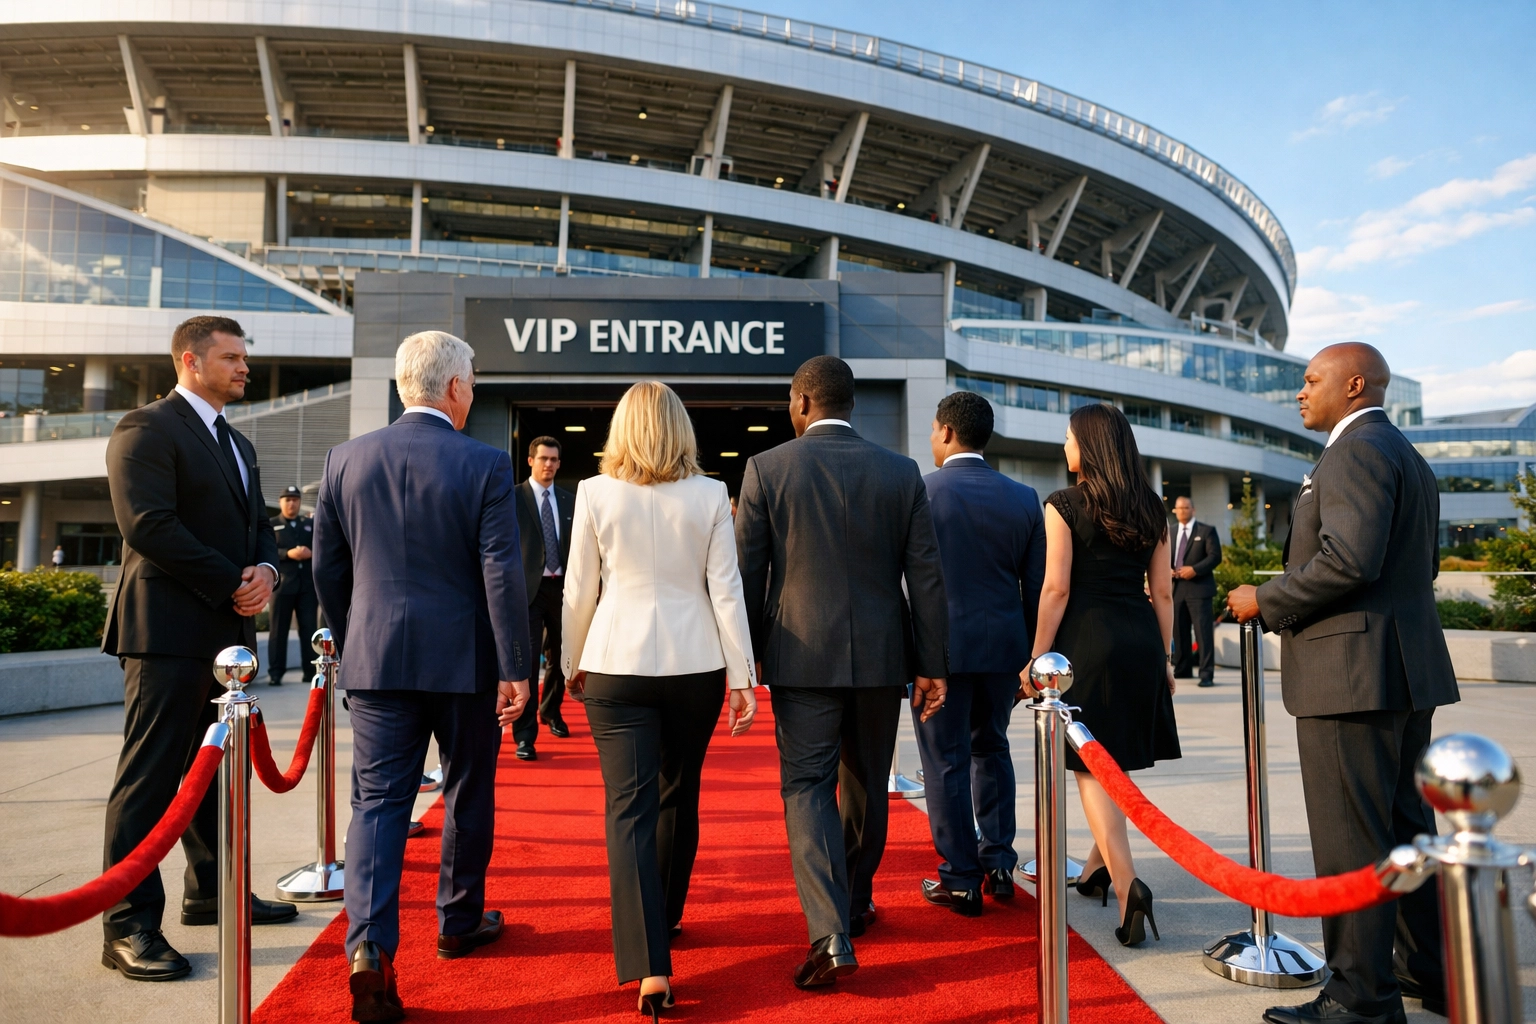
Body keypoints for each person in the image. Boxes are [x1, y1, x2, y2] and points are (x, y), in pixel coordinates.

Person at [1228, 342, 1456, 1024]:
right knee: (1406, 831)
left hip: (1350, 676)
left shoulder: (1353, 451)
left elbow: (1349, 559)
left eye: (1311, 380)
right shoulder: (1407, 456)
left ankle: (1360, 999)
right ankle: (1424, 974)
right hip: (1402, 671)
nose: (1300, 392)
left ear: (1354, 385)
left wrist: (1264, 599)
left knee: (1351, 840)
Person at [313, 331, 532, 1023]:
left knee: (376, 804)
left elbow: (326, 567)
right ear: (456, 388)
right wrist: (516, 666)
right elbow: (502, 570)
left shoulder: (344, 459)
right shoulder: (486, 464)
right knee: (468, 787)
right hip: (464, 661)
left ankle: (368, 951)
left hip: (376, 659)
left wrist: (354, 641)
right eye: (473, 380)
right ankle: (456, 922)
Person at [735, 355, 949, 989]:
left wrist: (742, 662)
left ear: (803, 403)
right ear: (850, 405)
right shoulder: (902, 471)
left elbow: (747, 576)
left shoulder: (767, 468)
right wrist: (932, 664)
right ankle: (854, 903)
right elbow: (926, 576)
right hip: (884, 658)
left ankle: (829, 932)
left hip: (800, 657)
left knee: (806, 787)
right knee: (864, 784)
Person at [100, 315, 294, 982]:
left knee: (216, 779)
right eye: (232, 357)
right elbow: (147, 523)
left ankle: (211, 893)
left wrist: (265, 573)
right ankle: (126, 926)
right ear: (190, 360)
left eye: (245, 357)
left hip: (226, 639)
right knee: (150, 783)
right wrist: (228, 581)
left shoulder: (237, 442)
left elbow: (260, 526)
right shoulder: (145, 428)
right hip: (167, 636)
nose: (244, 367)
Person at [561, 381, 758, 1019]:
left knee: (628, 809)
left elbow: (578, 591)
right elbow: (725, 589)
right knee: (678, 793)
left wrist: (568, 662)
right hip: (695, 661)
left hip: (614, 662)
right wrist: (742, 675)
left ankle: (650, 963)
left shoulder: (593, 493)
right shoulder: (708, 494)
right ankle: (665, 916)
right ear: (680, 430)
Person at [1029, 402, 1177, 947]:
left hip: (1086, 643)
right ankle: (1095, 871)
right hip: (1139, 639)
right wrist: (1163, 658)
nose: (1064, 447)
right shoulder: (1152, 507)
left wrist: (1037, 657)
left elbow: (1056, 589)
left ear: (1087, 446)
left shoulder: (1063, 504)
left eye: (1068, 437)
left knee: (1090, 767)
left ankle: (1126, 886)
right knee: (1112, 758)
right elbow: (1163, 591)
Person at [914, 390, 1044, 917]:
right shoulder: (1022, 497)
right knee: (992, 750)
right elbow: (1035, 589)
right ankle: (997, 862)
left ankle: (960, 877)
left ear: (946, 432)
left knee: (945, 761)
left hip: (939, 652)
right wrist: (1033, 659)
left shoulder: (923, 492)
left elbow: (912, 581)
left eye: (932, 430)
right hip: (1004, 651)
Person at [511, 435, 576, 758]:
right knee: (528, 659)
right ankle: (524, 735)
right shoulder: (512, 498)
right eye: (543, 459)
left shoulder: (569, 500)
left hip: (562, 589)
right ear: (530, 461)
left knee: (561, 658)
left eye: (554, 459)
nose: (548, 464)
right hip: (527, 591)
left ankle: (552, 711)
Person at [267, 485, 318, 687]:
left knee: (309, 629)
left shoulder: (309, 524)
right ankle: (276, 673)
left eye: (295, 499)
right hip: (282, 585)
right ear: (280, 502)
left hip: (306, 585)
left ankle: (310, 671)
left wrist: (311, 553)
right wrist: (287, 553)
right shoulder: (272, 525)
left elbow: (323, 545)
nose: (292, 503)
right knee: (278, 630)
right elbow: (267, 551)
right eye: (287, 500)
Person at [1169, 496, 1222, 688]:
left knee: (1203, 634)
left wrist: (1195, 570)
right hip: (1176, 588)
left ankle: (1206, 674)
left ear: (1193, 509)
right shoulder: (1170, 531)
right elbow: (1164, 556)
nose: (1182, 511)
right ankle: (1183, 669)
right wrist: (1166, 569)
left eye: (1185, 507)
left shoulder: (1206, 531)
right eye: (1178, 508)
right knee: (1179, 632)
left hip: (1199, 589)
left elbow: (1215, 557)